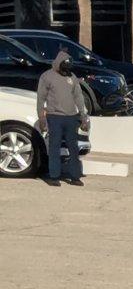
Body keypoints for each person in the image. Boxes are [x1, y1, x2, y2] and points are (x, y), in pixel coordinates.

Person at [36, 50, 87, 187]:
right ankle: (54, 176)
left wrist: (83, 116)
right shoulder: (47, 76)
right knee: (54, 147)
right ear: (59, 64)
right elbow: (41, 98)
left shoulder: (72, 77)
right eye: (65, 68)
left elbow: (78, 97)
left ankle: (75, 176)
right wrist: (42, 119)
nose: (66, 71)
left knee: (73, 148)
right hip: (54, 117)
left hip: (71, 117)